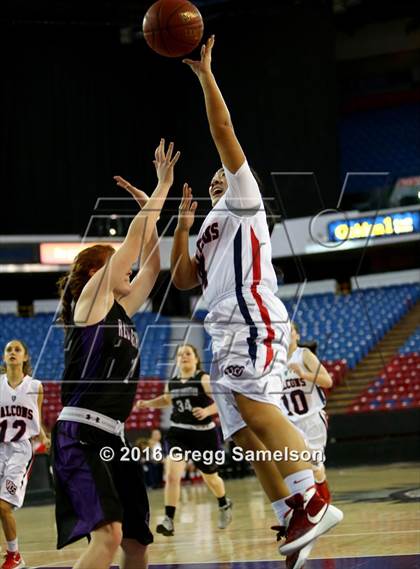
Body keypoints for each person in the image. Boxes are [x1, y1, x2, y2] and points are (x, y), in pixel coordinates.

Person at [170, 36, 342, 569]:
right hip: (221, 330)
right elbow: (180, 281)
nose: (219, 173)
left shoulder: (244, 201)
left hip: (250, 314)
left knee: (254, 409)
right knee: (242, 433)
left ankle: (314, 498)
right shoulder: (207, 228)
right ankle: (291, 509)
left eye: (225, 171)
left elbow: (223, 131)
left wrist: (205, 76)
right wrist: (180, 226)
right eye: (216, 174)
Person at [53, 139, 179, 569]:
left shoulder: (122, 309)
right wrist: (160, 190)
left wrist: (151, 213)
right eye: (117, 265)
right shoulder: (91, 299)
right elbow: (131, 243)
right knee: (108, 536)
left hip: (114, 438)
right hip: (80, 434)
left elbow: (152, 267)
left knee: (138, 543)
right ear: (96, 272)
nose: (128, 270)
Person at [137, 343, 232, 536]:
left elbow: (223, 400)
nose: (184, 356)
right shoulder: (172, 382)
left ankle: (223, 503)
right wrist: (147, 404)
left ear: (196, 358)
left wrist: (207, 410)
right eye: (180, 354)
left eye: (188, 353)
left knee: (211, 478)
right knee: (172, 476)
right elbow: (166, 399)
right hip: (178, 432)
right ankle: (169, 519)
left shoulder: (203, 379)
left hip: (203, 434)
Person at [0, 339, 49, 569]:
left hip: (20, 449)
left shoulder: (35, 386)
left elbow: (36, 419)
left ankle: (15, 556)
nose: (12, 352)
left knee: (3, 505)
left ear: (25, 357)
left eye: (17, 349)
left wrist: (44, 436)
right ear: (3, 357)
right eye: (8, 350)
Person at [281, 323, 332, 503]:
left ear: (297, 335)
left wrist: (304, 374)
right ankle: (308, 503)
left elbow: (327, 381)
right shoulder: (273, 363)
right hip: (289, 423)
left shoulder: (304, 355)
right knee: (293, 464)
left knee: (315, 466)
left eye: (290, 331)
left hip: (312, 420)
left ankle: (322, 492)